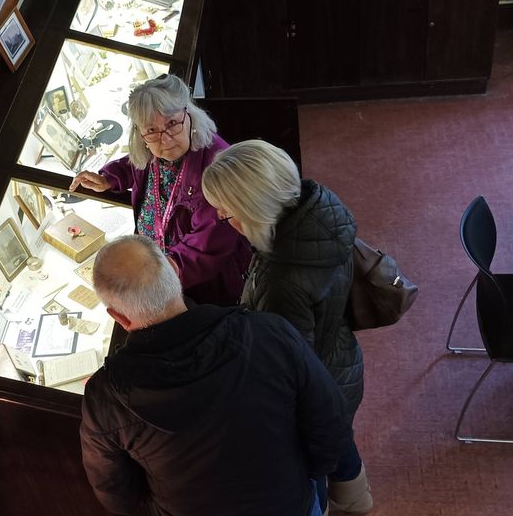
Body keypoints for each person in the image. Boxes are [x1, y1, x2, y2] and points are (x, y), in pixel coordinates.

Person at [79, 235, 350, 516]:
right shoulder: (269, 332)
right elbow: (330, 421)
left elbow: (116, 494)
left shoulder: (104, 396)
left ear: (119, 317)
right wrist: (303, 476)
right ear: (174, 271)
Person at [201, 140, 373, 514]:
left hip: (317, 390)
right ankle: (357, 497)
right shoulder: (319, 210)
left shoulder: (281, 280)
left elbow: (288, 369)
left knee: (315, 468)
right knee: (341, 439)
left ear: (253, 209)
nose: (219, 218)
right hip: (342, 361)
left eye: (225, 211)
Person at [69, 74, 250, 306]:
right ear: (140, 134)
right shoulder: (150, 148)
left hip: (199, 284)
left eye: (172, 124)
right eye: (152, 130)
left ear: (188, 115)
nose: (164, 139)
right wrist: (110, 179)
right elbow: (134, 163)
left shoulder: (217, 169)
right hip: (159, 264)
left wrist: (157, 278)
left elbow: (208, 248)